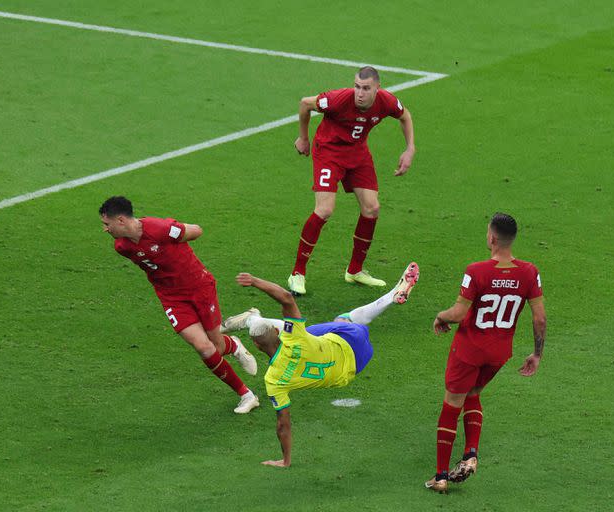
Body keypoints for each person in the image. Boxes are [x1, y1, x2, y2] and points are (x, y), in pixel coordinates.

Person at [226, 262, 419, 467]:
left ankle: (253, 320)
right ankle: (254, 319)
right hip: (349, 339)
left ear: (256, 346)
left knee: (317, 331)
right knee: (341, 320)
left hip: (354, 367)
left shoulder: (273, 380)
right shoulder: (294, 337)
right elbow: (286, 298)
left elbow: (283, 424)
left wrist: (286, 460)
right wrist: (254, 281)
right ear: (276, 333)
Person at [98, 196, 260, 414]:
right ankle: (246, 395)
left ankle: (233, 345)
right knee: (204, 348)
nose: (105, 229)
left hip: (199, 287)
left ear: (120, 221)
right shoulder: (121, 246)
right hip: (172, 298)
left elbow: (197, 230)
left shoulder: (159, 229)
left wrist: (176, 235)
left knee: (217, 348)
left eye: (106, 224)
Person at [425, 213, 547, 493]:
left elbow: (458, 313)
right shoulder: (529, 272)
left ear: (492, 238)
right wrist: (537, 354)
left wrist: (440, 316)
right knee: (473, 394)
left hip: (469, 350)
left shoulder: (476, 270)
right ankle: (470, 454)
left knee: (450, 406)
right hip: (498, 353)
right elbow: (539, 318)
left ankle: (441, 476)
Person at [288, 65, 416, 295]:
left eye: (366, 88)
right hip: (328, 152)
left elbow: (405, 115)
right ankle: (297, 273)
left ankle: (355, 270)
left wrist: (409, 149)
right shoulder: (337, 99)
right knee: (325, 209)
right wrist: (303, 137)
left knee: (372, 208)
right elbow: (305, 103)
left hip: (357, 153)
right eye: (357, 86)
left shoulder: (386, 101)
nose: (360, 93)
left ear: (377, 88)